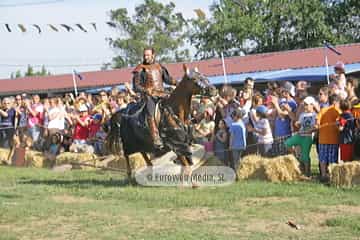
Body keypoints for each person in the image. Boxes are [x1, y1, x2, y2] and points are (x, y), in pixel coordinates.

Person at [132, 47, 177, 151]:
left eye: (148, 55)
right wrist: (145, 90)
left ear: (153, 55)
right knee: (150, 112)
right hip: (148, 96)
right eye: (144, 55)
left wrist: (177, 82)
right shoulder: (140, 69)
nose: (146, 57)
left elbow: (167, 79)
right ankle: (155, 136)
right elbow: (136, 86)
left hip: (162, 94)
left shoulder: (159, 66)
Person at [285, 97, 317, 177]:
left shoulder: (315, 115)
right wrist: (297, 124)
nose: (305, 106)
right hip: (300, 134)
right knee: (287, 143)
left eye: (306, 105)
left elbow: (315, 127)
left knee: (305, 156)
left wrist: (311, 130)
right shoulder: (302, 114)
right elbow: (299, 123)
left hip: (308, 137)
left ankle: (307, 173)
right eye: (304, 105)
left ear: (312, 105)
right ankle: (297, 157)